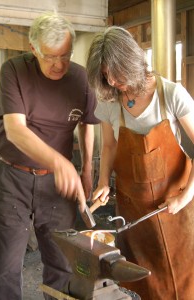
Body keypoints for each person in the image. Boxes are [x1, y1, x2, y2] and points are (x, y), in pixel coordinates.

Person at [0, 12, 99, 300]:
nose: (59, 64)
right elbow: (15, 131)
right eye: (50, 56)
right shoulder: (14, 70)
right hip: (13, 178)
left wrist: (87, 170)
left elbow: (88, 125)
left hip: (58, 186)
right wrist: (60, 162)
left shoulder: (81, 78)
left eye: (66, 55)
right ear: (34, 49)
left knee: (62, 263)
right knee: (4, 266)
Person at [86, 26, 194, 300]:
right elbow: (109, 145)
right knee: (145, 285)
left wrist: (184, 197)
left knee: (184, 284)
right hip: (135, 215)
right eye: (105, 77)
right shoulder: (111, 100)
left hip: (176, 211)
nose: (112, 82)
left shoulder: (171, 94)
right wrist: (102, 182)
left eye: (116, 73)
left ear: (131, 61)